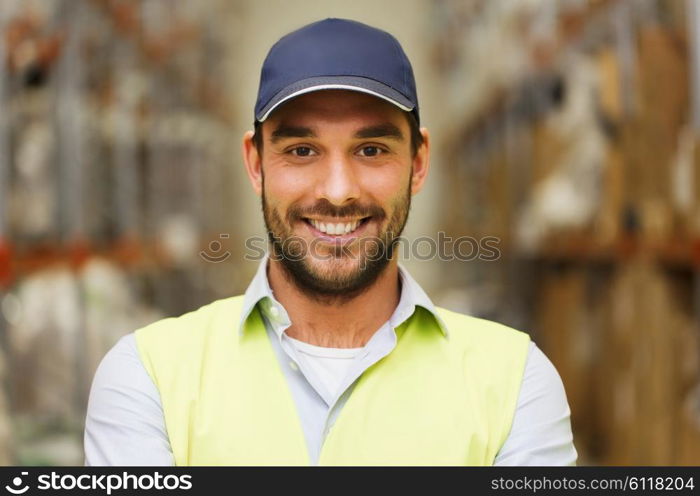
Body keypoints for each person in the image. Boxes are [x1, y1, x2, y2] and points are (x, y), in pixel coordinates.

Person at [84, 18, 577, 466]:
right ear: (256, 164)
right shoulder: (147, 377)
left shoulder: (516, 384)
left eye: (371, 149)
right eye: (301, 150)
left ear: (419, 162)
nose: (338, 191)